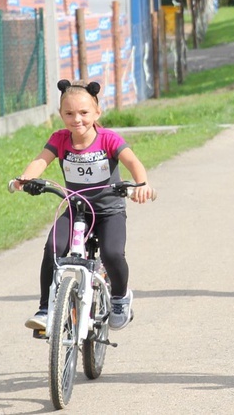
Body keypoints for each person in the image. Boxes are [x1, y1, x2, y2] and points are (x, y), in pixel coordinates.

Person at [12, 79, 156, 331]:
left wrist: (141, 184)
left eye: (83, 112)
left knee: (112, 254)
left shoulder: (108, 139)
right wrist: (26, 179)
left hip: (109, 211)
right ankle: (46, 308)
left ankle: (121, 297)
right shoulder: (59, 139)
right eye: (69, 113)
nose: (76, 119)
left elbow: (133, 162)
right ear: (61, 115)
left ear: (97, 112)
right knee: (53, 248)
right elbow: (40, 161)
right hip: (76, 209)